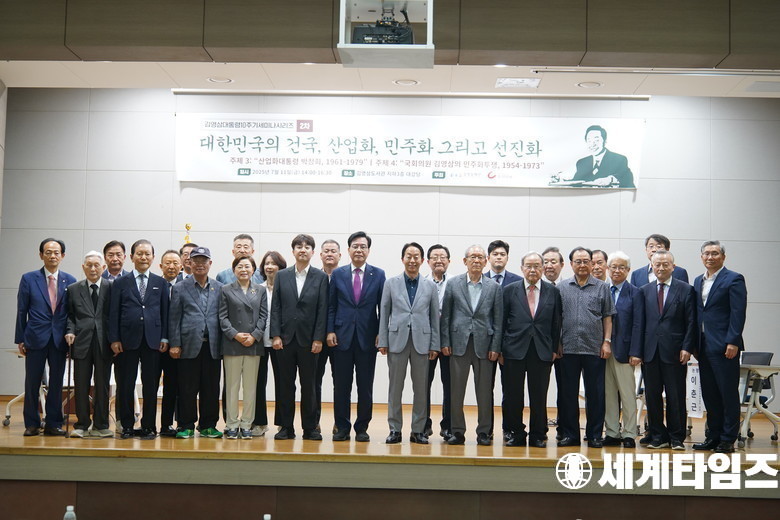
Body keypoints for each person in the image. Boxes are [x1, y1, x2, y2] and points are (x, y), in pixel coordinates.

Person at [378, 242, 440, 445]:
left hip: (422, 342)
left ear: (422, 260)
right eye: (408, 256)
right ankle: (394, 429)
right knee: (395, 388)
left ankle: (418, 430)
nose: (412, 260)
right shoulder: (391, 283)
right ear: (402, 259)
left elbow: (434, 317)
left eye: (416, 257)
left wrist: (434, 344)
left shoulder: (430, 286)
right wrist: (383, 340)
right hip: (397, 341)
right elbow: (384, 313)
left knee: (421, 389)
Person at [634, 250, 697, 450]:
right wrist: (638, 351)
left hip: (675, 352)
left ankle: (676, 437)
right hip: (650, 352)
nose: (661, 268)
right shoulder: (644, 290)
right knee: (652, 397)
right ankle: (658, 436)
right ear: (652, 267)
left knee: (675, 396)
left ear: (673, 267)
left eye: (665, 264)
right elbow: (640, 323)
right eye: (657, 264)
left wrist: (687, 347)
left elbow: (691, 322)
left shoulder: (686, 289)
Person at [440, 245, 502, 446]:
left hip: (485, 345)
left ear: (486, 261)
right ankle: (457, 431)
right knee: (456, 391)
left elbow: (498, 320)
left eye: (480, 257)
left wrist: (495, 346)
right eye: (472, 257)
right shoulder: (453, 284)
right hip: (458, 344)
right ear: (464, 261)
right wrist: (445, 341)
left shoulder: (494, 287)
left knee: (484, 392)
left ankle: (484, 432)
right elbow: (446, 316)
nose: (476, 260)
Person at [327, 232, 385, 442]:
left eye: (363, 246)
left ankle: (362, 427)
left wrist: (381, 333)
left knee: (365, 386)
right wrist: (330, 330)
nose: (359, 250)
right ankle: (342, 427)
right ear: (348, 250)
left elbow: (383, 307)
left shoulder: (378, 274)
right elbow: (331, 306)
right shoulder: (338, 274)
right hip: (341, 338)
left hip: (367, 339)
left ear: (368, 250)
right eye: (355, 246)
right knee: (341, 386)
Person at [270, 234, 329, 441]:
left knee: (309, 386)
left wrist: (319, 338)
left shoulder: (320, 277)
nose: (302, 250)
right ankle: (286, 427)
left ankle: (310, 428)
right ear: (293, 251)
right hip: (285, 340)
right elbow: (276, 307)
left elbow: (322, 309)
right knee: (285, 385)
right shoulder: (282, 275)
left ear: (313, 252)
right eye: (298, 246)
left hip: (310, 341)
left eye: (307, 247)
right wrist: (275, 335)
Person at [15, 238, 77, 436]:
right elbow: (21, 310)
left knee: (57, 383)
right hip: (35, 337)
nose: (52, 256)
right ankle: (32, 424)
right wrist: (20, 339)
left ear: (63, 256)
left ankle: (53, 423)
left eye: (56, 252)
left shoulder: (70, 280)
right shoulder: (29, 278)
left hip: (59, 339)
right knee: (32, 382)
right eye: (48, 252)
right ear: (41, 255)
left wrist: (71, 333)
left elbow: (72, 313)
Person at [108, 239, 169, 440]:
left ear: (153, 257)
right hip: (126, 341)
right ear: (132, 257)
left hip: (153, 341)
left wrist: (164, 337)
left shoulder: (160, 283)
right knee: (125, 384)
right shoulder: (120, 282)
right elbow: (114, 312)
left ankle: (149, 426)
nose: (143, 257)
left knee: (151, 386)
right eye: (139, 254)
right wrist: (114, 338)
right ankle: (126, 425)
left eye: (147, 254)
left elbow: (165, 312)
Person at [501, 251, 561, 448]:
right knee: (513, 395)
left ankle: (538, 434)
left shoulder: (553, 292)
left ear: (542, 268)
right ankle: (515, 432)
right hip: (513, 350)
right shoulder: (509, 290)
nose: (533, 270)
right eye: (529, 266)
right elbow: (501, 321)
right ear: (522, 268)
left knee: (539, 395)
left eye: (537, 266)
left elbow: (556, 322)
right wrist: (500, 349)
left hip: (542, 351)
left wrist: (554, 348)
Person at [692, 240, 747, 454]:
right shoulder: (698, 281)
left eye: (715, 253)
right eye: (706, 253)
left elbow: (738, 312)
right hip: (703, 346)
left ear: (723, 257)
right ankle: (713, 436)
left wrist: (733, 341)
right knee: (710, 394)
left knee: (727, 394)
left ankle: (727, 439)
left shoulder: (734, 278)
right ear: (701, 257)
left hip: (725, 346)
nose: (710, 257)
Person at [557, 247, 615, 448]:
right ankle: (570, 434)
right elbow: (557, 319)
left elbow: (608, 316)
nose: (582, 265)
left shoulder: (602, 287)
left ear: (592, 263)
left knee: (596, 394)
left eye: (586, 261)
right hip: (568, 349)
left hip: (594, 348)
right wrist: (557, 342)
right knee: (568, 394)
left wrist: (606, 342)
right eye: (578, 261)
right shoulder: (561, 287)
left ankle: (594, 435)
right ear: (571, 264)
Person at [168, 246, 224, 439]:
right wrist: (175, 344)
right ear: (189, 263)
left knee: (211, 387)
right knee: (187, 387)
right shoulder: (179, 287)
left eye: (204, 261)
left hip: (213, 346)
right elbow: (174, 318)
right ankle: (186, 424)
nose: (200, 264)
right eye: (196, 261)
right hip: (188, 345)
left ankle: (208, 425)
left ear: (210, 263)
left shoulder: (219, 288)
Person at [64, 251, 113, 439]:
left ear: (103, 267)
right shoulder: (73, 289)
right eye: (89, 265)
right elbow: (70, 316)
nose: (93, 269)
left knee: (102, 385)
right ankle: (82, 424)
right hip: (81, 341)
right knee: (81, 384)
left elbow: (115, 315)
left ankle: (101, 424)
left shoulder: (111, 287)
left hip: (104, 342)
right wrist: (70, 331)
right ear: (83, 267)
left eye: (96, 265)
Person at [219, 255, 267, 439]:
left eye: (247, 266)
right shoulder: (226, 289)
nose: (244, 270)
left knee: (250, 387)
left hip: (253, 344)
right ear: (234, 270)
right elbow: (222, 317)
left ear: (253, 270)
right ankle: (231, 423)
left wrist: (254, 336)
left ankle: (247, 423)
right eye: (240, 266)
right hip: (232, 343)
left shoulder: (260, 290)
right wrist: (235, 334)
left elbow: (263, 316)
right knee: (232, 387)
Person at [603, 251, 640, 448]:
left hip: (625, 352)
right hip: (602, 350)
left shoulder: (635, 292)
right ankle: (611, 432)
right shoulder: (602, 289)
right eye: (613, 267)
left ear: (628, 270)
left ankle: (629, 433)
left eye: (621, 267)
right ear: (607, 269)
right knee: (608, 393)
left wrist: (636, 351)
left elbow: (638, 324)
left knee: (627, 394)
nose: (617, 270)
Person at [251, 251, 287, 437]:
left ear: (281, 267)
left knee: (282, 382)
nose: (270, 267)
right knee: (258, 383)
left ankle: (282, 422)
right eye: (267, 263)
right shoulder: (257, 289)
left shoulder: (287, 288)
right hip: (259, 341)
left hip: (280, 342)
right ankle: (259, 422)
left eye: (274, 264)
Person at [424, 243, 452, 439]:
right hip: (426, 342)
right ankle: (424, 425)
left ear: (449, 261)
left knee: (450, 385)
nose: (439, 260)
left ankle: (448, 425)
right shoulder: (421, 283)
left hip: (450, 342)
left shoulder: (456, 283)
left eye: (443, 257)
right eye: (434, 257)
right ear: (428, 261)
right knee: (423, 384)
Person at [315, 239, 341, 433]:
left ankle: (339, 422)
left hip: (340, 338)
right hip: (315, 338)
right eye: (326, 251)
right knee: (314, 381)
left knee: (339, 382)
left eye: (333, 251)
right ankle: (313, 421)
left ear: (340, 255)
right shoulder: (314, 277)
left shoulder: (345, 277)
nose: (330, 254)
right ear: (320, 255)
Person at [158, 249, 183, 437]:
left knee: (175, 386)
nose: (171, 266)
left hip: (177, 345)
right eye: (168, 263)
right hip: (155, 344)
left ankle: (175, 424)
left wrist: (176, 342)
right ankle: (154, 424)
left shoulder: (185, 286)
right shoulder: (154, 284)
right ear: (161, 266)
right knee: (152, 386)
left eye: (175, 263)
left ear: (181, 266)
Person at [569, 125, 635, 188]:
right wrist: (565, 180)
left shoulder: (619, 159)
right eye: (589, 140)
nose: (592, 144)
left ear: (605, 141)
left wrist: (610, 179)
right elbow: (576, 183)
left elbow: (627, 179)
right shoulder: (582, 162)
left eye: (597, 140)